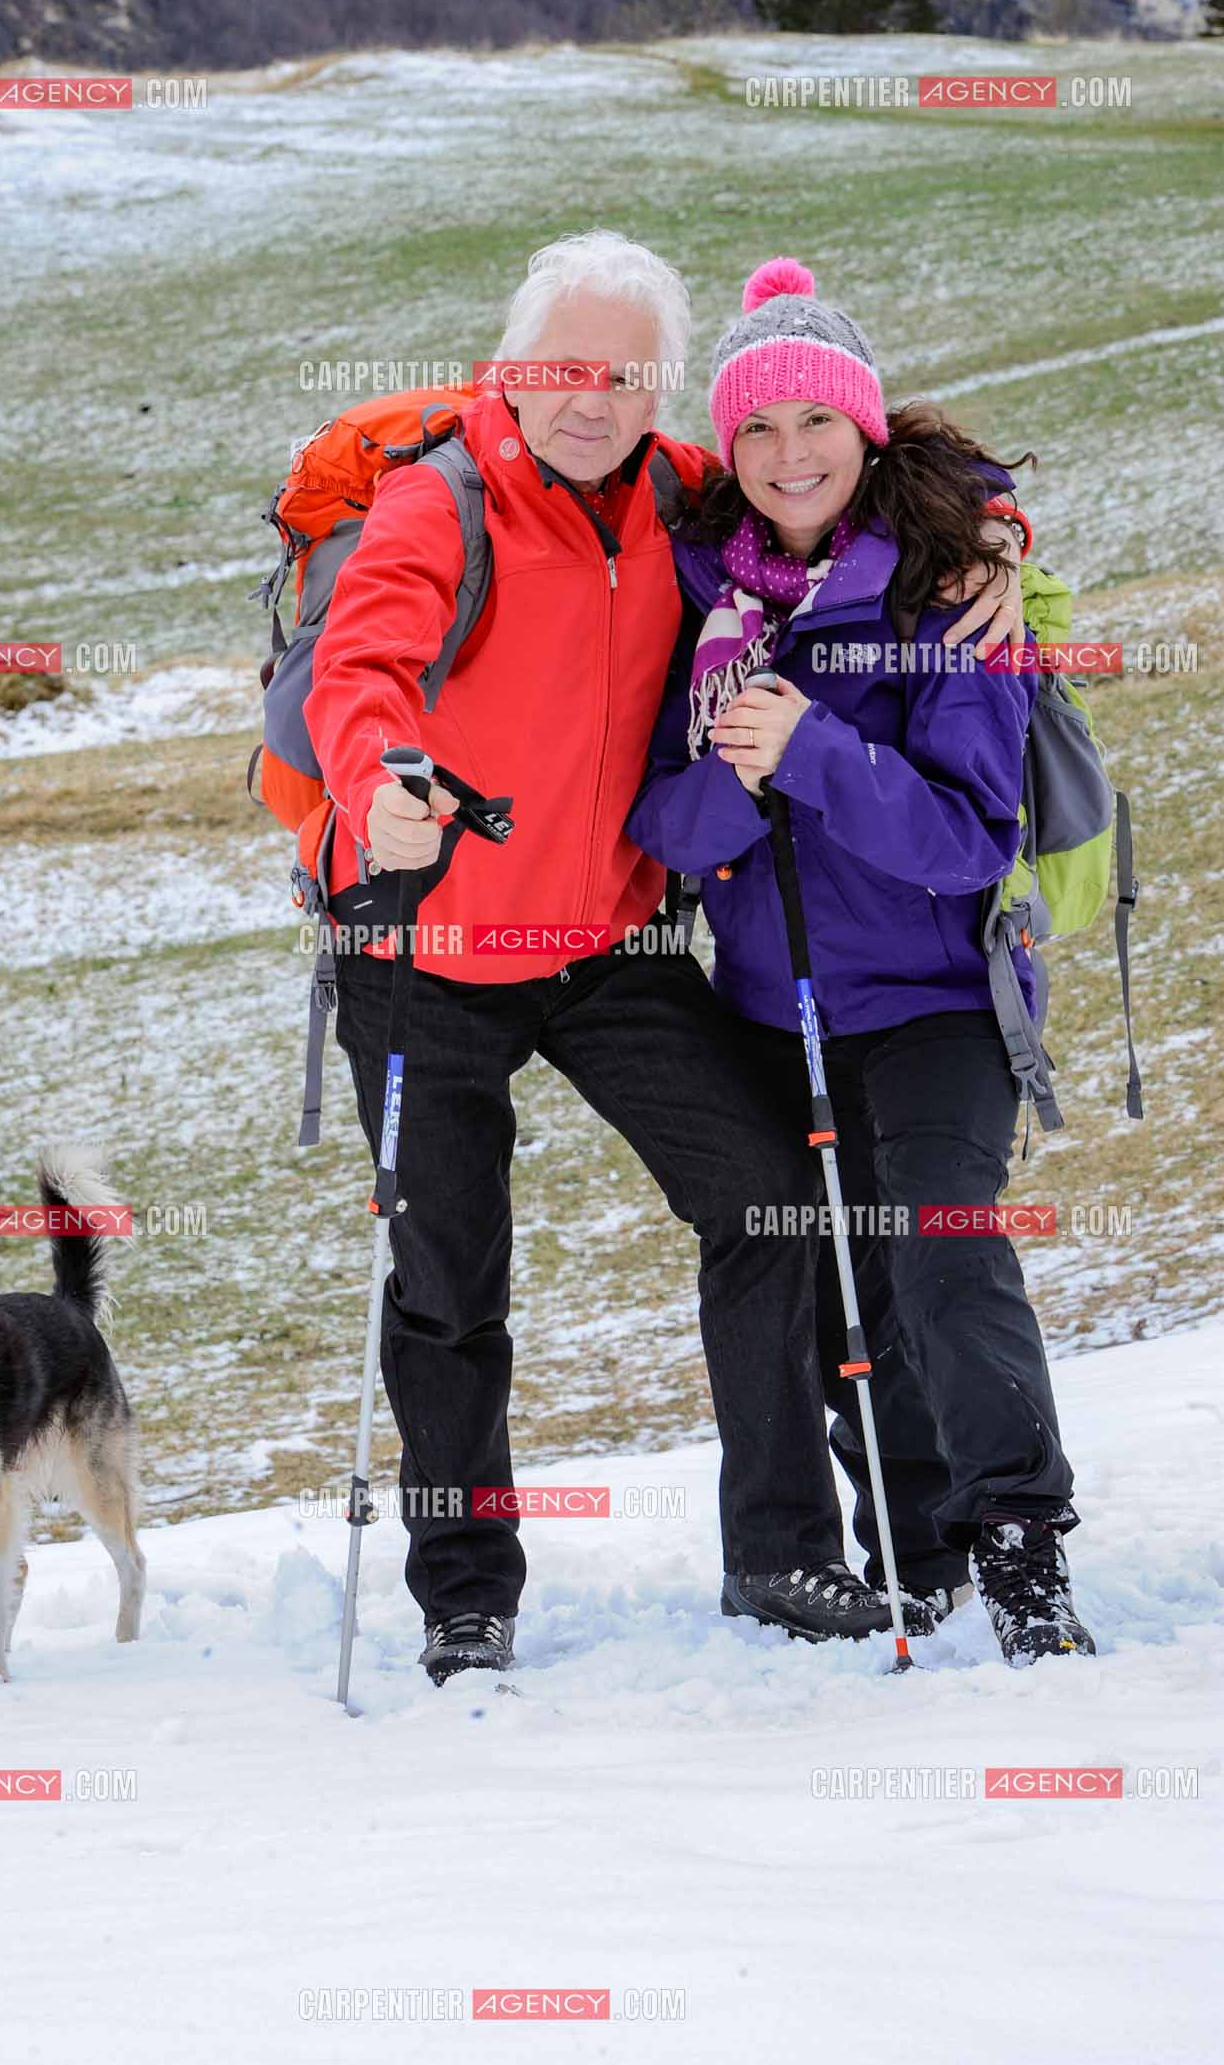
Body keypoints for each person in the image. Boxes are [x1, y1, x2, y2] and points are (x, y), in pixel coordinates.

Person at [303, 232, 1025, 1682]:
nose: (597, 398)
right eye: (569, 368)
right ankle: (466, 1591)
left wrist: (997, 532)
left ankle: (780, 1550)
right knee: (449, 1277)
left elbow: (846, 468)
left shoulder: (682, 491)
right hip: (424, 935)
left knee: (770, 1201)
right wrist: (378, 781)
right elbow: (362, 667)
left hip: (606, 946)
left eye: (631, 375)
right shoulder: (439, 502)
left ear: (664, 390)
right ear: (512, 369)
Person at [627, 256, 1094, 1666]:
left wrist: (813, 749)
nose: (790, 454)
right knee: (842, 1295)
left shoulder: (946, 592)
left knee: (944, 1254)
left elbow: (968, 839)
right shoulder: (698, 596)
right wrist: (738, 772)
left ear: (866, 427)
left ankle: (1021, 1550)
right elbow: (664, 827)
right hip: (770, 1013)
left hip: (939, 1002)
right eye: (759, 427)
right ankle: (917, 1549)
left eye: (817, 420)